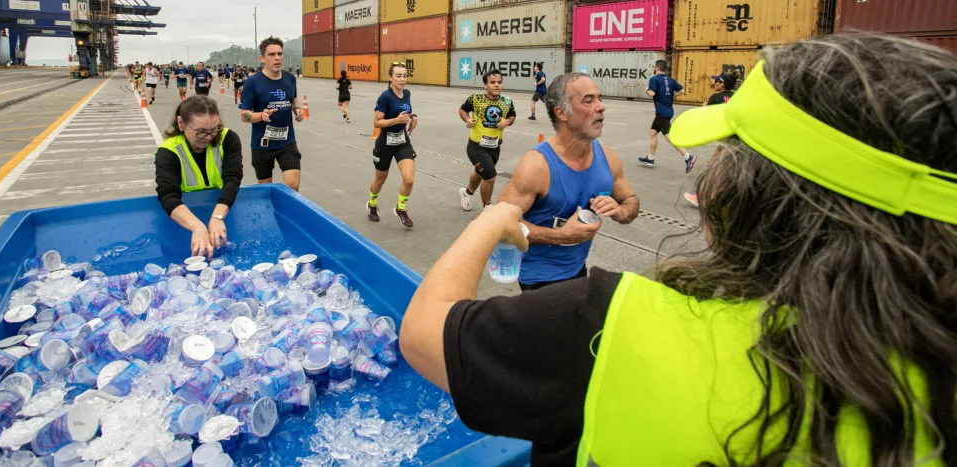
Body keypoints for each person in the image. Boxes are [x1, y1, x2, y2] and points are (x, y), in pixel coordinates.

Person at [400, 34, 957, 465]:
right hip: (543, 278)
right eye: (588, 99)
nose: (713, 177)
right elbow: (533, 224)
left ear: (765, 196)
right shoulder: (933, 382)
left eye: (730, 153)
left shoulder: (613, 325)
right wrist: (541, 229)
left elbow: (424, 333)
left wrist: (506, 218)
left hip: (568, 300)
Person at [496, 72, 638, 291]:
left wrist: (621, 211)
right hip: (538, 279)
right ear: (562, 113)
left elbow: (630, 201)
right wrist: (560, 236)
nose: (601, 107)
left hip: (578, 269)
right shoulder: (537, 166)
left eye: (599, 99)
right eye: (588, 101)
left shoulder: (608, 158)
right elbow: (501, 225)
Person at [154, 95, 244, 259]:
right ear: (181, 123)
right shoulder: (168, 151)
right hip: (184, 220)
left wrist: (217, 217)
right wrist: (197, 227)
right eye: (201, 132)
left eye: (214, 129)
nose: (209, 137)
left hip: (221, 212)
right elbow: (168, 195)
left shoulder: (228, 139)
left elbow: (233, 178)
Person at [238, 36, 304, 190]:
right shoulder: (252, 82)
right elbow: (244, 115)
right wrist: (261, 115)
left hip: (287, 141)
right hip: (262, 143)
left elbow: (293, 98)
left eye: (280, 54)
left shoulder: (290, 79)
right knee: (265, 189)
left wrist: (297, 110)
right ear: (262, 58)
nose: (277, 58)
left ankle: (286, 211)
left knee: (292, 185)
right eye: (272, 54)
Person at [368, 62, 418, 228]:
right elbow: (376, 123)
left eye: (404, 76)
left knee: (409, 179)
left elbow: (406, 110)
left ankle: (400, 209)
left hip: (402, 140)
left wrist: (413, 117)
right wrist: (396, 120)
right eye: (398, 76)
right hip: (385, 143)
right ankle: (372, 204)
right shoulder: (385, 97)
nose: (402, 79)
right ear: (390, 78)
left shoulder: (407, 93)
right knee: (380, 180)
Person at [458, 69, 515, 211]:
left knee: (480, 172)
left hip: (495, 147)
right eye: (493, 82)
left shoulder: (507, 101)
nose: (497, 85)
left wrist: (507, 122)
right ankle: (487, 209)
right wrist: (467, 119)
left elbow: (512, 116)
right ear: (485, 85)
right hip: (476, 146)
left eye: (499, 82)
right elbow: (462, 109)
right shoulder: (475, 99)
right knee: (490, 177)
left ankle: (467, 193)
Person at [685, 72, 742, 207]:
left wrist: (704, 106)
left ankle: (703, 198)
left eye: (717, 81)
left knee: (713, 168)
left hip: (725, 139)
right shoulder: (737, 97)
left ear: (722, 84)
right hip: (737, 136)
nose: (714, 83)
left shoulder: (715, 97)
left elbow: (706, 116)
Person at [638, 59, 697, 173]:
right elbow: (682, 91)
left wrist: (647, 90)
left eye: (654, 67)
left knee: (669, 136)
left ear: (657, 68)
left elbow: (651, 93)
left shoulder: (654, 79)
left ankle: (688, 156)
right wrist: (670, 94)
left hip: (662, 113)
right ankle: (650, 158)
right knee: (653, 133)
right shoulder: (670, 80)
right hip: (668, 111)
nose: (653, 69)